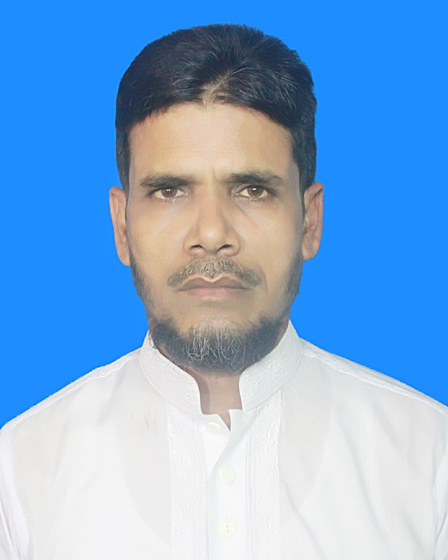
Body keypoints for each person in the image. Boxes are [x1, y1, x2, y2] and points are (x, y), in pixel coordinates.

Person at [0, 23, 446, 560]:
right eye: (169, 191)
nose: (212, 233)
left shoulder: (429, 461)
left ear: (309, 222)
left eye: (252, 189)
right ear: (121, 226)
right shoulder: (20, 475)